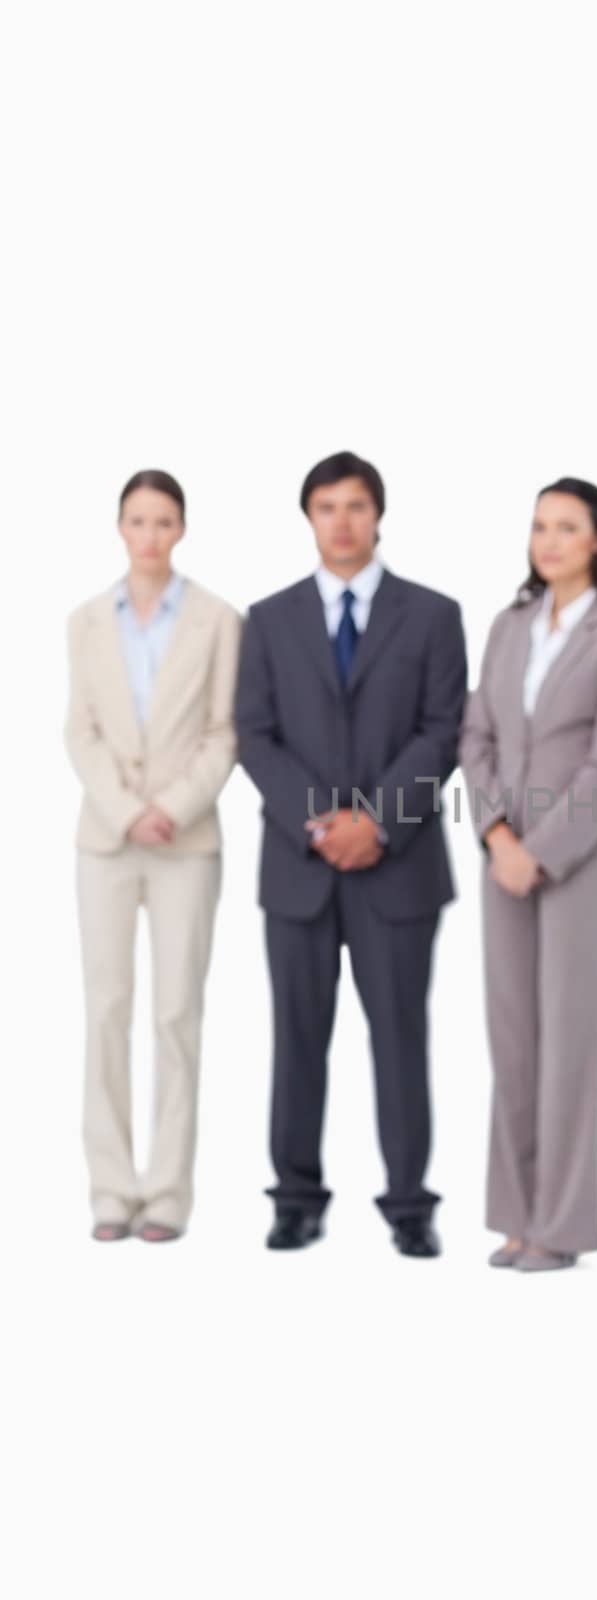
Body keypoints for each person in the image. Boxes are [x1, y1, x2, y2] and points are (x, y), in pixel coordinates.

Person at [236, 451, 466, 1256]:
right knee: (296, 1037)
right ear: (309, 517)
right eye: (327, 506)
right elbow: (254, 736)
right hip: (296, 869)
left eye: (356, 505)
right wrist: (319, 820)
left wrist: (375, 823)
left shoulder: (432, 615)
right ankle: (295, 1197)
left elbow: (443, 731)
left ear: (378, 515)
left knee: (400, 1036)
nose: (342, 520)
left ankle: (410, 1204)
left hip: (397, 868)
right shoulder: (266, 620)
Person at [460, 477, 597, 1272]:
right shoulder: (508, 627)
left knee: (569, 1038)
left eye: (566, 527)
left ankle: (561, 1225)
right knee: (512, 1037)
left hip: (575, 857)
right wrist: (499, 835)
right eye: (540, 526)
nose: (548, 540)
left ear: (596, 540)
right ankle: (515, 1216)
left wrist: (540, 848)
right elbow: (476, 737)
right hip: (502, 852)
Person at [65, 469, 242, 1243]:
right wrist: (125, 809)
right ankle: (111, 1188)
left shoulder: (216, 620)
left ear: (181, 529)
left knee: (176, 1014)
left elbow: (223, 731)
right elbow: (81, 730)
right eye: (137, 521)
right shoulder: (85, 621)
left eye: (163, 521)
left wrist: (168, 809)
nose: (149, 535)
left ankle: (166, 1193)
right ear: (119, 528)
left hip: (186, 838)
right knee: (106, 1009)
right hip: (105, 840)